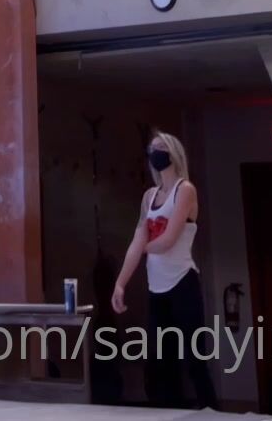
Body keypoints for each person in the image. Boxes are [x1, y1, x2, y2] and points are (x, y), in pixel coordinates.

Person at [111, 130, 217, 410]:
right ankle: (172, 410)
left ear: (172, 153)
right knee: (162, 358)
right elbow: (137, 239)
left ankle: (212, 411)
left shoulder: (185, 190)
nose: (155, 153)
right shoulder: (149, 196)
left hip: (183, 282)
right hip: (157, 287)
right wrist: (120, 283)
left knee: (194, 358)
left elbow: (168, 239)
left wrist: (143, 248)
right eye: (152, 149)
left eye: (160, 147)